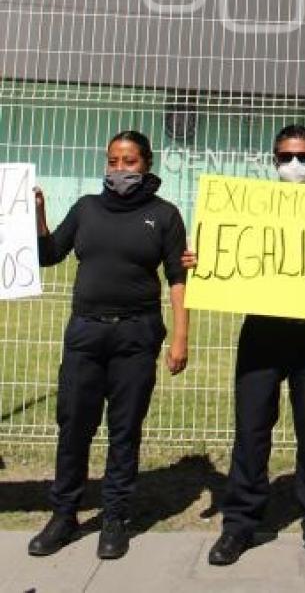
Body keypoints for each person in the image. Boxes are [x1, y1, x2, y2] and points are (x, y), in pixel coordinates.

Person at [28, 130, 189, 561]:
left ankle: (115, 518)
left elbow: (178, 278)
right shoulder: (86, 209)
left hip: (136, 335)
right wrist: (38, 214)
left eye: (129, 161)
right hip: (85, 333)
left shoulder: (165, 215)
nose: (120, 169)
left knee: (124, 431)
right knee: (74, 426)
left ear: (147, 164)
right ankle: (63, 515)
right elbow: (49, 254)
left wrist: (180, 336)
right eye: (113, 161)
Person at [193, 124, 305, 571]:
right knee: (251, 431)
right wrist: (204, 260)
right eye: (285, 157)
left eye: (303, 158)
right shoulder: (248, 210)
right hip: (262, 334)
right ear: (273, 160)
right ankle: (239, 523)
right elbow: (228, 257)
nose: (293, 165)